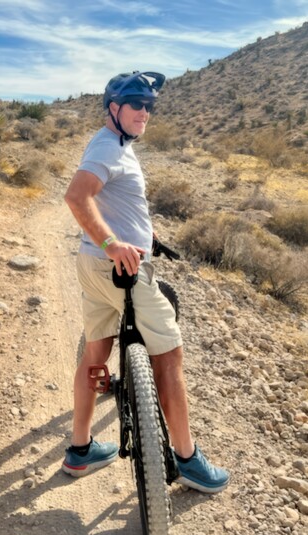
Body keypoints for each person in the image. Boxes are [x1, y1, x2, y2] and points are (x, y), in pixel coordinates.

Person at [62, 72, 229, 493]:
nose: (145, 112)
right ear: (113, 108)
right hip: (119, 269)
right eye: (136, 103)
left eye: (150, 105)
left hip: (93, 263)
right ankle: (187, 459)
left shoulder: (115, 145)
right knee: (169, 354)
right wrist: (117, 243)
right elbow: (77, 197)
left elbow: (109, 199)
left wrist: (143, 234)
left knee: (96, 349)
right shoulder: (107, 145)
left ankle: (79, 451)